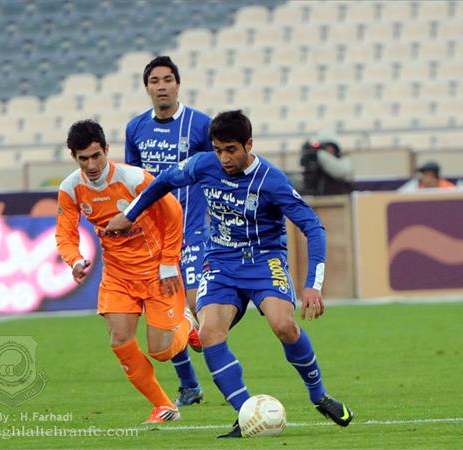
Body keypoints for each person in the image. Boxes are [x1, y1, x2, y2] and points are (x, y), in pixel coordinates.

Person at [107, 110, 354, 437]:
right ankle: (245, 412)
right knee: (209, 335)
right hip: (221, 261)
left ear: (248, 144)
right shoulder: (204, 164)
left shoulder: (271, 180)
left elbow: (313, 226)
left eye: (231, 150)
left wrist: (313, 285)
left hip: (265, 261)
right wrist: (130, 214)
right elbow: (164, 181)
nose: (223, 158)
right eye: (218, 149)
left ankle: (319, 394)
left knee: (284, 325)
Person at [55, 119, 201, 424]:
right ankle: (163, 406)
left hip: (157, 270)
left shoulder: (134, 178)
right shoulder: (70, 188)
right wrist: (74, 260)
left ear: (107, 149)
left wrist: (167, 262)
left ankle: (187, 323)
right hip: (118, 275)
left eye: (97, 155)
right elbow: (65, 233)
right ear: (74, 157)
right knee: (119, 341)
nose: (92, 164)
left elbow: (173, 213)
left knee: (161, 351)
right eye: (84, 158)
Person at [125, 56, 212, 407]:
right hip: (155, 237)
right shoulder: (135, 128)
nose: (161, 86)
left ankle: (219, 372)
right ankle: (189, 384)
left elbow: (215, 169)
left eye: (167, 79)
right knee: (165, 313)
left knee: (195, 306)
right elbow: (134, 181)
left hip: (192, 229)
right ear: (147, 87)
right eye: (155, 81)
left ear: (178, 84)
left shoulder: (200, 124)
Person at [300, 131, 353, 195]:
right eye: (324, 147)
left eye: (330, 147)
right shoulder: (316, 162)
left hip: (339, 199)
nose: (328, 150)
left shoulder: (342, 160)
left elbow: (341, 172)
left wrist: (320, 154)